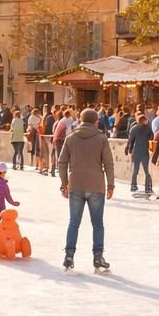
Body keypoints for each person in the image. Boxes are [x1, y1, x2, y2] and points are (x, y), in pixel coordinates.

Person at [58, 108, 114, 273]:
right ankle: (98, 257)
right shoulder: (101, 138)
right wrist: (110, 185)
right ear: (96, 121)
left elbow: (62, 162)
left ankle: (69, 256)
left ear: (80, 120)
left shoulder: (71, 138)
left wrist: (64, 183)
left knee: (73, 222)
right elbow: (108, 163)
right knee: (97, 224)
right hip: (96, 185)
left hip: (76, 184)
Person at [126, 113, 154, 195]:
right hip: (144, 151)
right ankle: (147, 187)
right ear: (144, 121)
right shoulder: (148, 129)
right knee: (146, 170)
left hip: (136, 151)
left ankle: (133, 185)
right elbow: (152, 137)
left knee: (135, 169)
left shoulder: (134, 128)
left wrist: (129, 149)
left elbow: (131, 140)